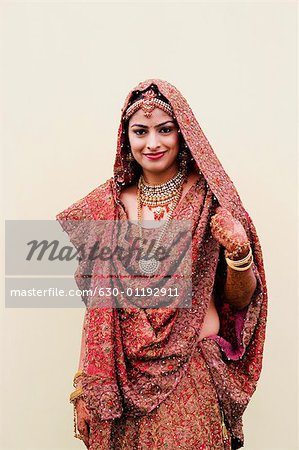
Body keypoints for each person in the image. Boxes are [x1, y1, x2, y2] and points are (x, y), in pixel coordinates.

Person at [56, 79, 267, 450]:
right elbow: (98, 310)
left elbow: (241, 299)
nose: (152, 143)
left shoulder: (211, 200)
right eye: (141, 131)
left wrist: (239, 254)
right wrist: (85, 385)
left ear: (183, 133)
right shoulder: (109, 205)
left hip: (191, 372)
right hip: (122, 379)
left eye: (164, 130)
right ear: (127, 139)